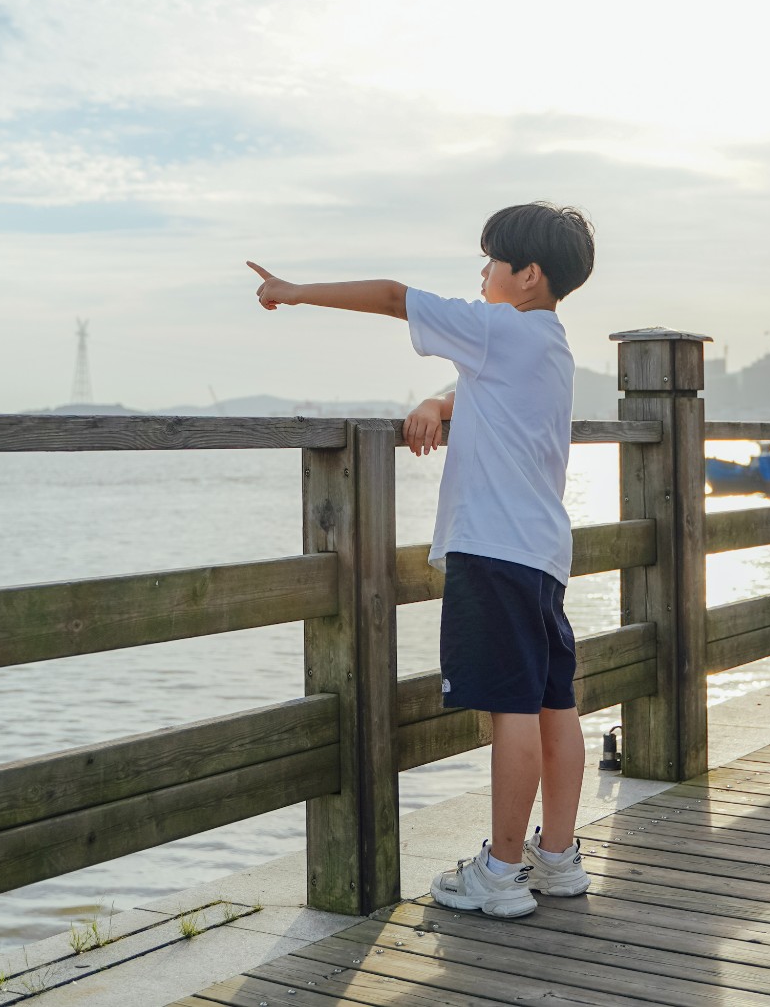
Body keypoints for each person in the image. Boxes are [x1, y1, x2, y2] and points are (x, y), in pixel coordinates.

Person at [246, 202, 597, 919]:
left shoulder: (497, 328)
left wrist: (293, 290)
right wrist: (439, 403)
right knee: (555, 705)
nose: (481, 274)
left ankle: (501, 871)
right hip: (540, 553)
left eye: (492, 262)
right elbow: (481, 391)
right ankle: (555, 858)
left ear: (526, 276)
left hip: (492, 550)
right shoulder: (549, 343)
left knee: (512, 713)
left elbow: (389, 296)